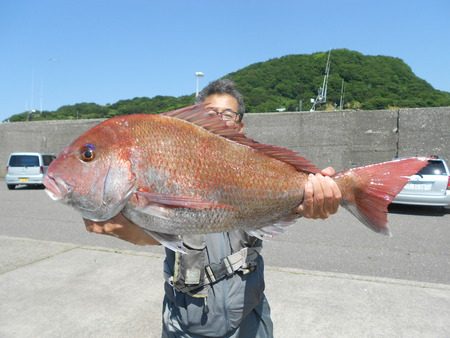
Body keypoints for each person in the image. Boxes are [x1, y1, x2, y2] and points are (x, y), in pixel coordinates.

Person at [84, 79, 341, 337]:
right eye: (210, 114)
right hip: (184, 324)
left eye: (227, 114)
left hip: (248, 320)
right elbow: (155, 235)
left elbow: (278, 206)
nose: (219, 120)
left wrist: (311, 200)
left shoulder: (257, 164)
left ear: (240, 124)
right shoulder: (175, 165)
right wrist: (118, 226)